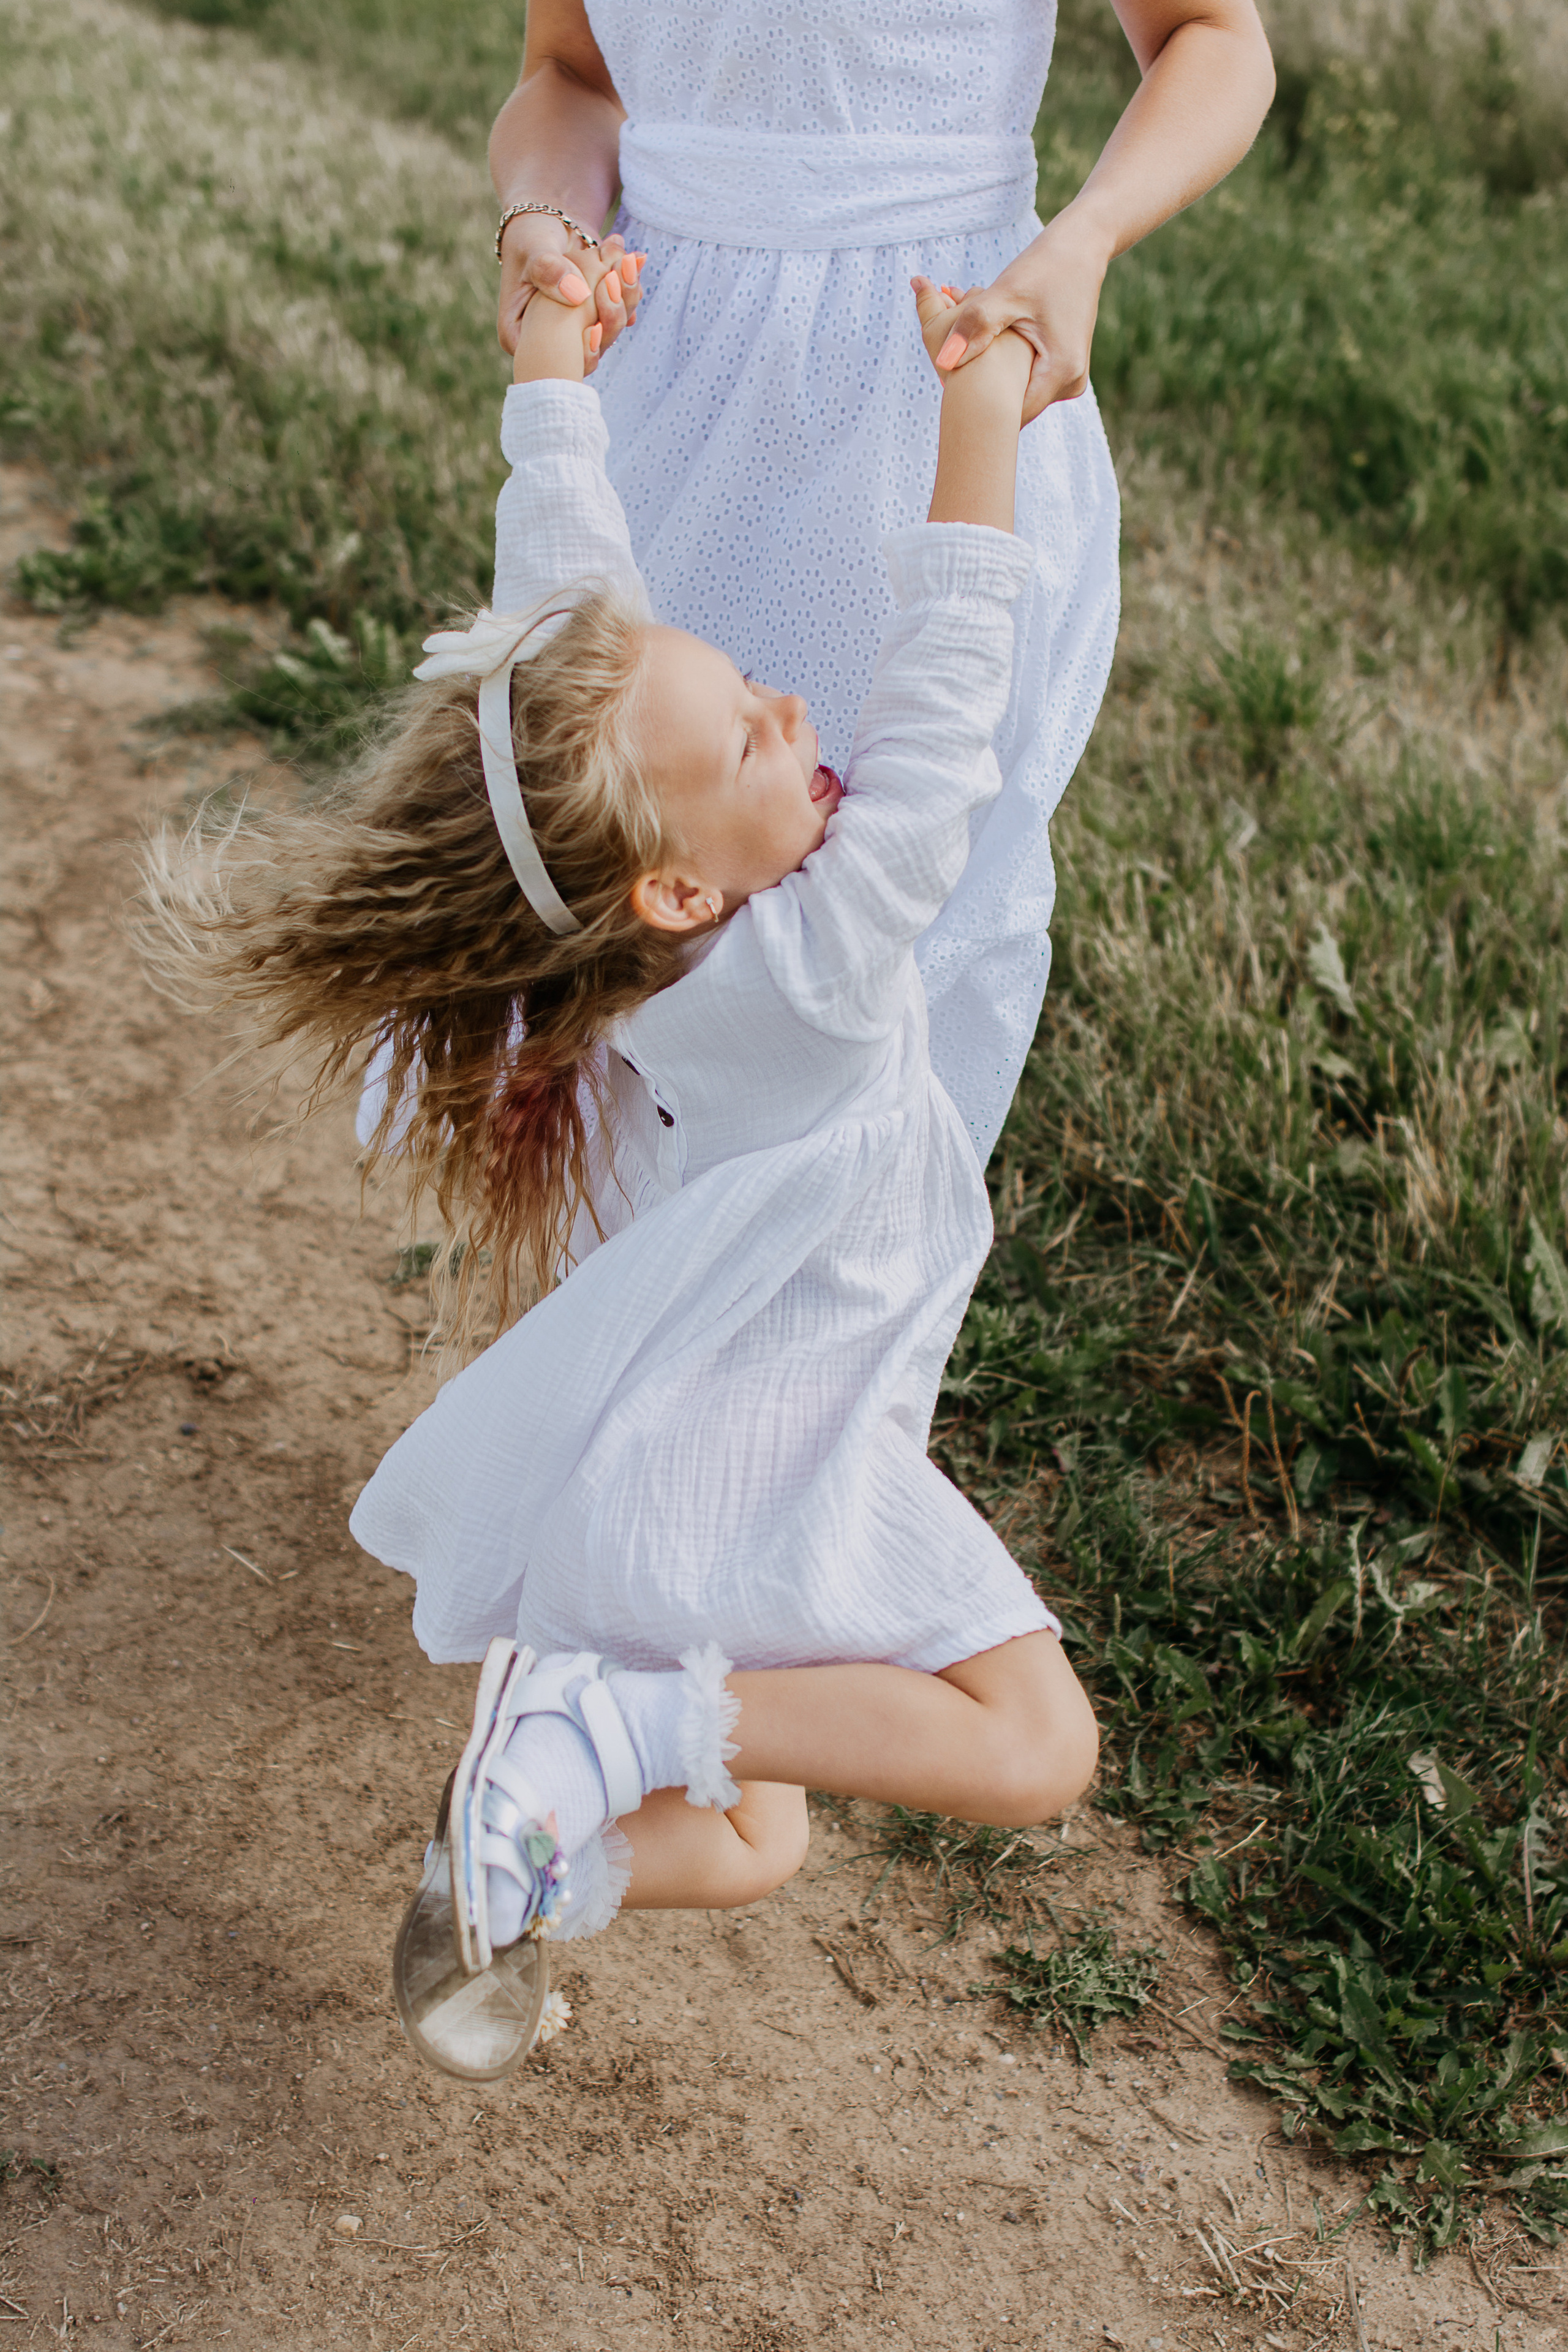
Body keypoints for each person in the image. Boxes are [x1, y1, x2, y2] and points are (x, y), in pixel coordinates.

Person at [146, 241, 1098, 2081]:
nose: (797, 715)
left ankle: (528, 1836)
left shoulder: (647, 958)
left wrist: (559, 380)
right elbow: (949, 704)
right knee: (1032, 1747)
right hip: (781, 1445)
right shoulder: (815, 975)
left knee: (760, 1834)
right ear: (671, 883)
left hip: (692, 1455)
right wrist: (980, 405)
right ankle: (602, 1731)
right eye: (755, 724)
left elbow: (570, 615)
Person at [483, 0, 1275, 1165]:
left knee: (911, 891)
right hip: (664, 381)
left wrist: (1085, 239)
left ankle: (854, 1298)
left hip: (938, 379)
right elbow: (568, 73)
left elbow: (1213, 35)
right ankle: (621, 1290)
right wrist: (541, 221)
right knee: (619, 885)